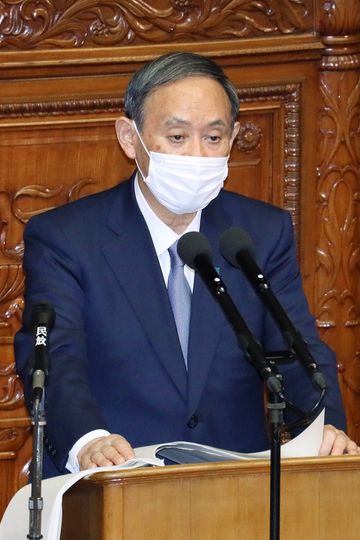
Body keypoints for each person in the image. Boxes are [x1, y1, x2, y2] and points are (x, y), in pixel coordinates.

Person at [15, 52, 359, 478]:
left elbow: (296, 349)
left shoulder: (258, 234)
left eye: (213, 138)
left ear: (233, 136)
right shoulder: (66, 237)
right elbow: (56, 356)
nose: (197, 155)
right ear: (130, 137)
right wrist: (88, 441)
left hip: (237, 486)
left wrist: (326, 431)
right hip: (112, 481)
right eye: (177, 137)